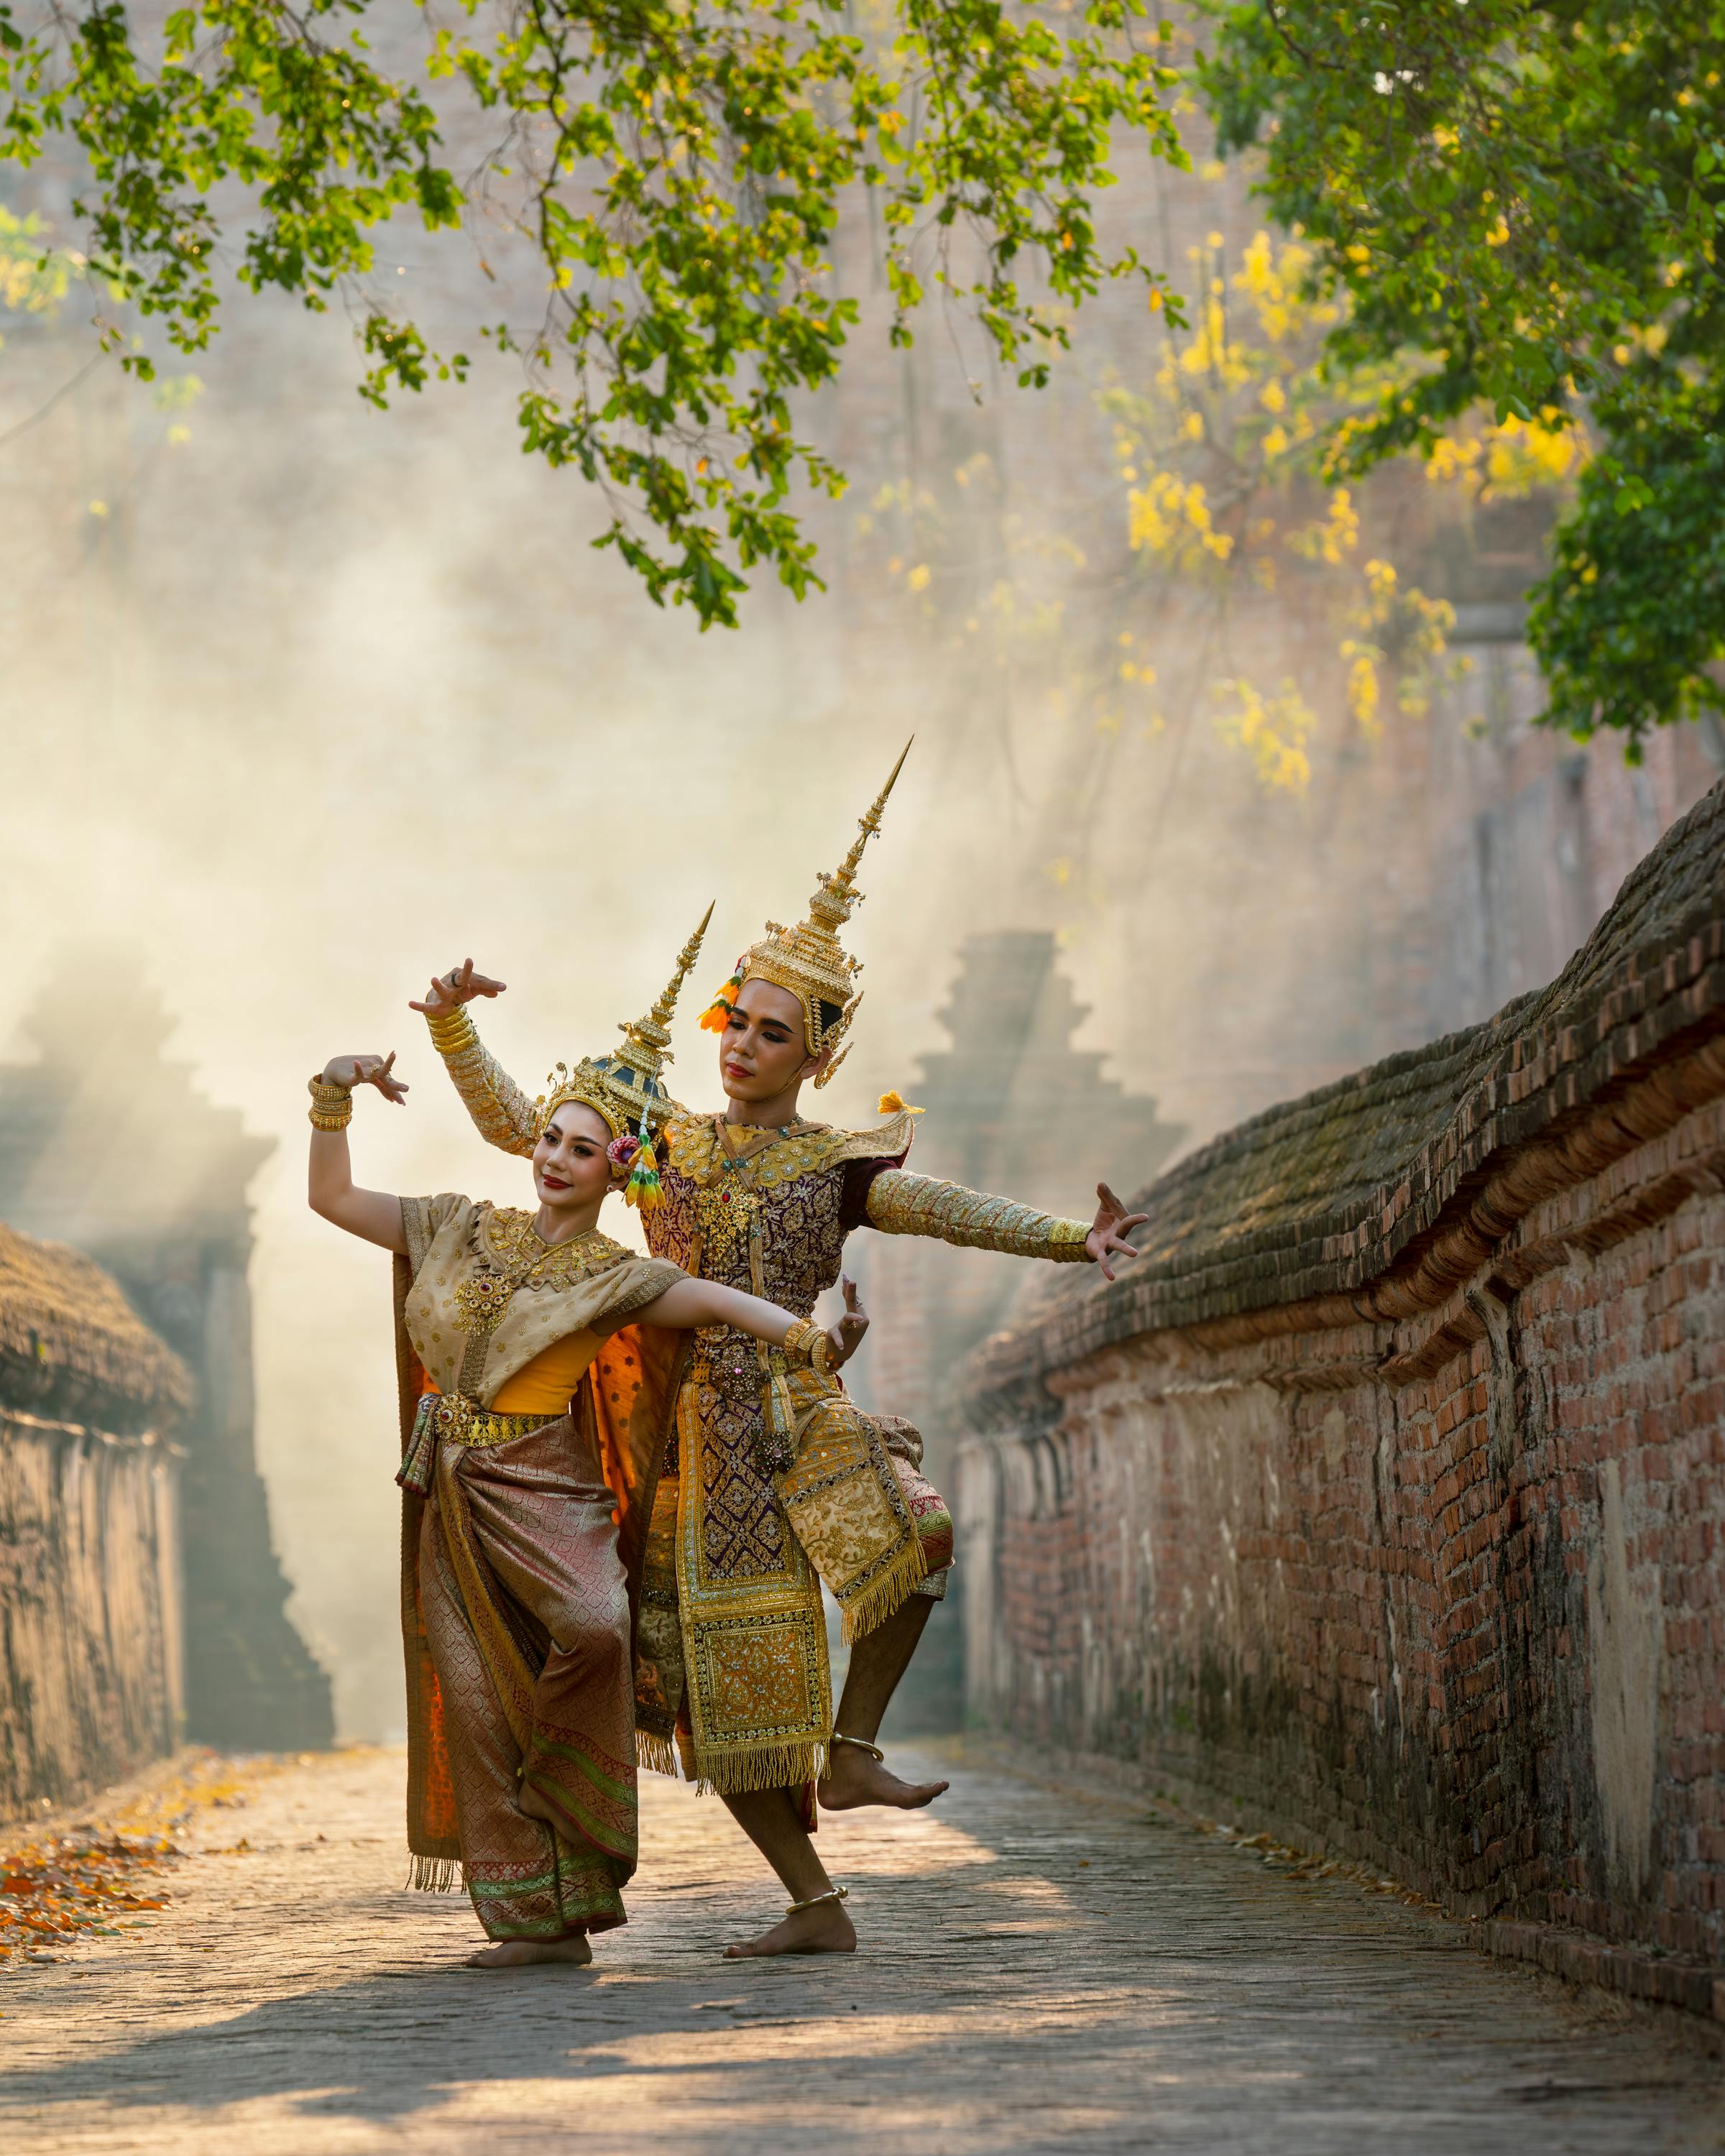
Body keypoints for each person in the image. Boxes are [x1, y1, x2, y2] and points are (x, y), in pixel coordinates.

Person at [415, 750, 1148, 1958]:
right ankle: (817, 1906)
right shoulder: (665, 1147)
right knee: (724, 1687)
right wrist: (450, 1029)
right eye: (734, 1023)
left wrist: (1075, 1238)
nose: (741, 1046)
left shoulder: (836, 1165)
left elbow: (947, 1209)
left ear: (820, 1056)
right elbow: (520, 1128)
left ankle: (854, 1749)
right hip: (689, 1441)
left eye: (771, 1032)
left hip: (802, 1402)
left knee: (917, 1535)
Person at [307, 915, 862, 1968]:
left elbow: (727, 1302)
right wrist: (330, 1097)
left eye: (581, 1149)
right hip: (451, 1495)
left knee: (597, 1632)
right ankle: (539, 1927)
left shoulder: (618, 1278)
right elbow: (329, 1196)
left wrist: (814, 1336)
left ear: (620, 1171)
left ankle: (574, 1794)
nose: (556, 1161)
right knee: (472, 1700)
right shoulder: (457, 1224)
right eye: (549, 1141)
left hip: (550, 1494)